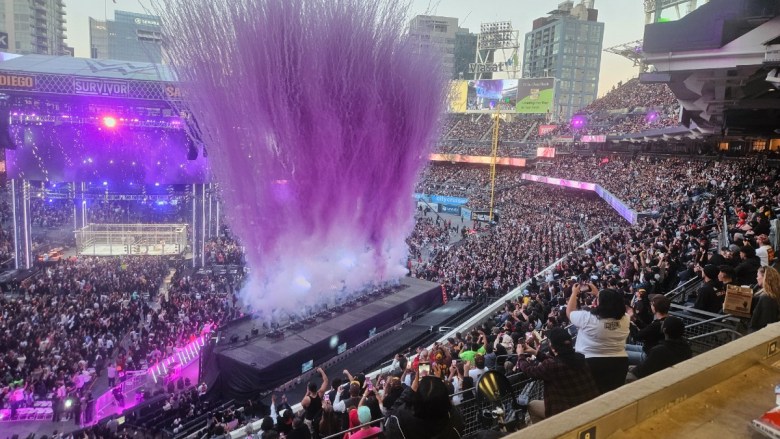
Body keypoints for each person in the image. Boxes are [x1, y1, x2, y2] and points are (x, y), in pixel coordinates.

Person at [516, 327, 600, 424]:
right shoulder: (580, 357)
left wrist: (520, 356)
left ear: (552, 346)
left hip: (567, 412)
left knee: (532, 405)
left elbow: (529, 370)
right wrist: (535, 352)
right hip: (590, 405)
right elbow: (559, 360)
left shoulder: (552, 366)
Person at [567, 284, 630, 395]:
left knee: (593, 397)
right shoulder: (626, 319)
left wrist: (574, 293)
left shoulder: (588, 318)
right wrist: (598, 294)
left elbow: (570, 312)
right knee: (614, 396)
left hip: (591, 363)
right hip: (619, 362)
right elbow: (612, 306)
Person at [384, 373, 464, 439]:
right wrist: (438, 385)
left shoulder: (401, 418)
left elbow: (388, 419)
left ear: (417, 398)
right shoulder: (455, 416)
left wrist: (410, 390)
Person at [627, 316, 692, 380]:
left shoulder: (659, 351)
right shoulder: (687, 348)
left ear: (664, 330)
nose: (661, 322)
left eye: (663, 323)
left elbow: (637, 373)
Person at [627, 295, 671, 365]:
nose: (651, 306)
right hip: (650, 350)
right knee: (623, 347)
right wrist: (635, 320)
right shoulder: (667, 320)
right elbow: (648, 328)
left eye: (652, 304)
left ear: (655, 307)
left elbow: (636, 336)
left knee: (618, 355)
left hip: (649, 355)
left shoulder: (657, 324)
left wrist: (628, 321)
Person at [750, 266, 780, 332]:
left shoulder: (766, 298)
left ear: (764, 277)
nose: (756, 278)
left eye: (758, 275)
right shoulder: (773, 293)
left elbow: (763, 322)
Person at [301, 367, 328, 435]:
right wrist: (321, 371)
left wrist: (307, 392)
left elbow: (302, 403)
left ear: (309, 390)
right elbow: (326, 380)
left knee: (310, 433)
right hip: (318, 417)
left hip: (310, 420)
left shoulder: (307, 399)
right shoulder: (320, 393)